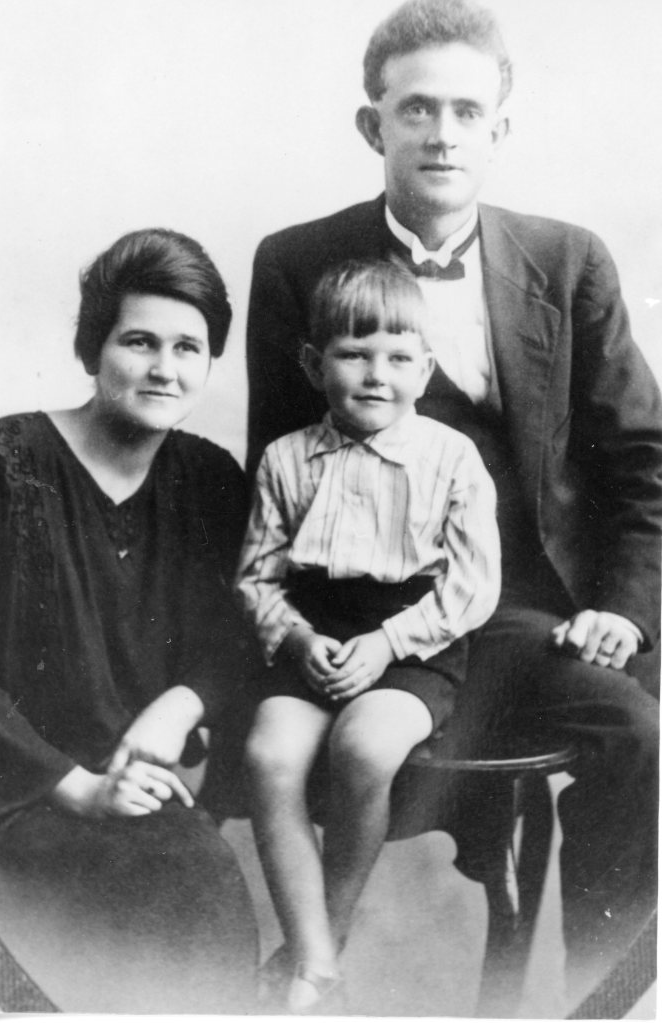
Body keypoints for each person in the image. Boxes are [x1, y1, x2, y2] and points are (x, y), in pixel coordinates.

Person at [245, 0, 661, 998]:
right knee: (300, 751)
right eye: (416, 108)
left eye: (466, 112)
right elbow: (277, 464)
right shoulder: (296, 261)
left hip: (526, 612)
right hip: (370, 616)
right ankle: (314, 962)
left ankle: (603, 991)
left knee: (641, 741)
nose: (441, 133)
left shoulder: (568, 261)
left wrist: (622, 610)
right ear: (372, 125)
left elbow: (643, 460)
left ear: (499, 130)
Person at [0, 228, 260, 1013]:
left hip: (136, 786)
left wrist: (184, 701)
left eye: (188, 347)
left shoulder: (209, 478)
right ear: (91, 348)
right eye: (139, 341)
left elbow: (234, 637)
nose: (165, 368)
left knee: (202, 894)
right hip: (6, 791)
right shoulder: (0, 461)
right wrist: (72, 788)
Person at [237, 259, 500, 1013]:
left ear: (426, 367)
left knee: (365, 744)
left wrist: (388, 643)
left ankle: (328, 940)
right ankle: (314, 954)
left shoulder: (452, 457)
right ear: (315, 365)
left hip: (415, 640)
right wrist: (293, 640)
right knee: (269, 752)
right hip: (313, 632)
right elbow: (256, 577)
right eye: (354, 354)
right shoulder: (287, 458)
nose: (377, 374)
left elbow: (472, 585)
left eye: (398, 356)